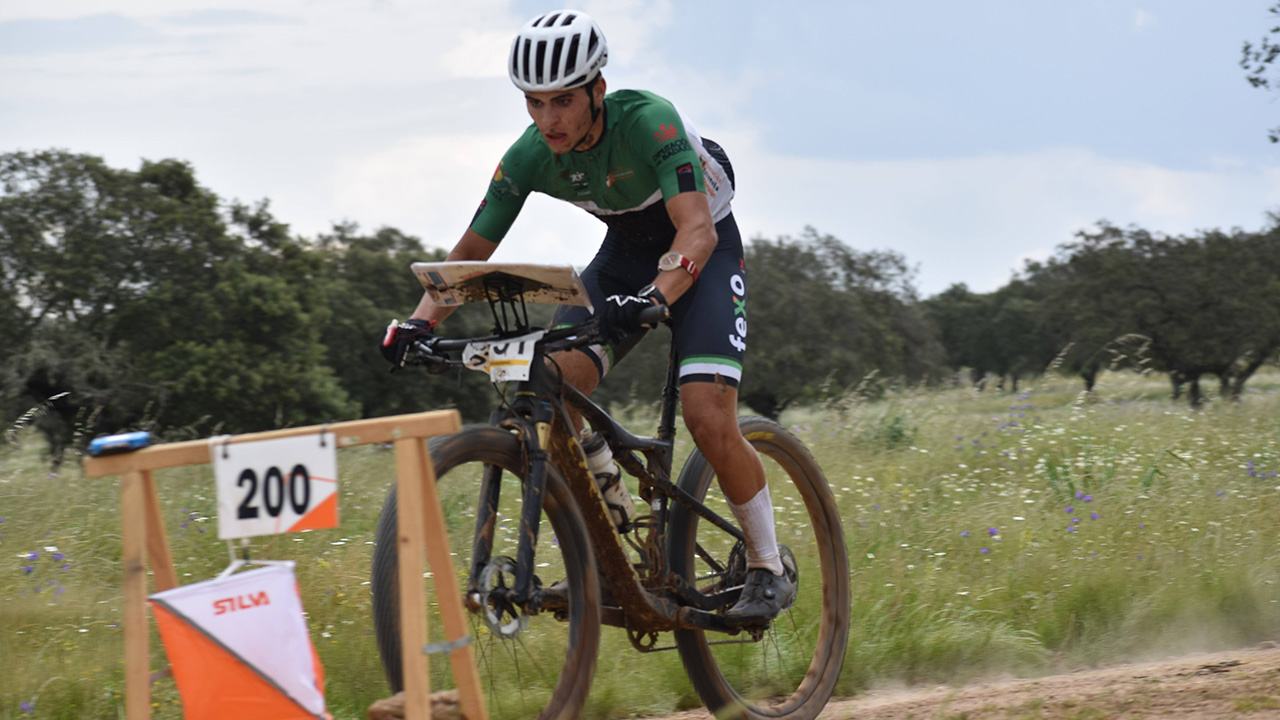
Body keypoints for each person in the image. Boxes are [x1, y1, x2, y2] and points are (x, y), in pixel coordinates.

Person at [380, 9, 794, 622]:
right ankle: (616, 529)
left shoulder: (650, 121)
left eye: (564, 101)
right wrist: (419, 322)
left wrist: (656, 298)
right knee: (553, 382)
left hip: (703, 248)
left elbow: (696, 229)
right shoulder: (528, 155)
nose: (549, 119)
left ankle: (767, 564)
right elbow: (470, 255)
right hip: (625, 256)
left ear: (598, 91)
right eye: (534, 103)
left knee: (707, 416)